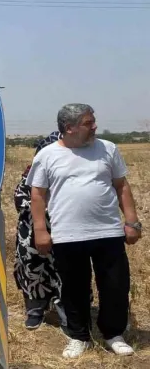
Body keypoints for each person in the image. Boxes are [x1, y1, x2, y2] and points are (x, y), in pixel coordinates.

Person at [26, 103, 141, 359]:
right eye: (89, 123)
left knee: (115, 285)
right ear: (70, 128)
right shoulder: (47, 155)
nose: (95, 126)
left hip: (108, 232)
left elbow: (121, 186)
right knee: (73, 288)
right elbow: (37, 195)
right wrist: (40, 231)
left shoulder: (108, 149)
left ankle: (114, 334)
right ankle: (79, 336)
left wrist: (132, 222)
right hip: (68, 235)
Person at [13, 131, 66, 331]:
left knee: (65, 270)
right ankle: (35, 310)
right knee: (33, 270)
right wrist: (42, 212)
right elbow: (20, 201)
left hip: (65, 230)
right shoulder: (32, 173)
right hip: (32, 233)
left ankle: (67, 312)